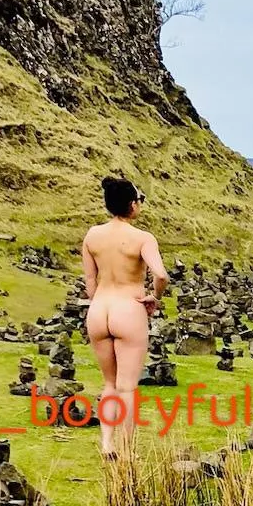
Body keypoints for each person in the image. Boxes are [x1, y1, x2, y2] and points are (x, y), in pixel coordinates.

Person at [82, 176, 170, 457]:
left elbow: (90, 282)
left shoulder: (92, 236)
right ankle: (128, 450)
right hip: (128, 309)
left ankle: (107, 443)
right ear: (132, 205)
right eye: (139, 200)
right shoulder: (143, 238)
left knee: (109, 383)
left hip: (99, 310)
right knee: (127, 386)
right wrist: (155, 297)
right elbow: (161, 275)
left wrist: (99, 301)